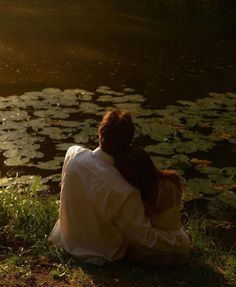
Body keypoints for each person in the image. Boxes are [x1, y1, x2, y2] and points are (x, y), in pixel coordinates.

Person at [49, 109, 190, 265]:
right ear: (128, 143)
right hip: (99, 253)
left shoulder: (73, 154)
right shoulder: (124, 191)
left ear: (100, 132)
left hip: (65, 240)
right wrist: (179, 241)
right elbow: (144, 237)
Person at [114, 145, 190, 265]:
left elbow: (140, 233)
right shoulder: (170, 180)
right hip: (173, 234)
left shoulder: (137, 194)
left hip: (149, 247)